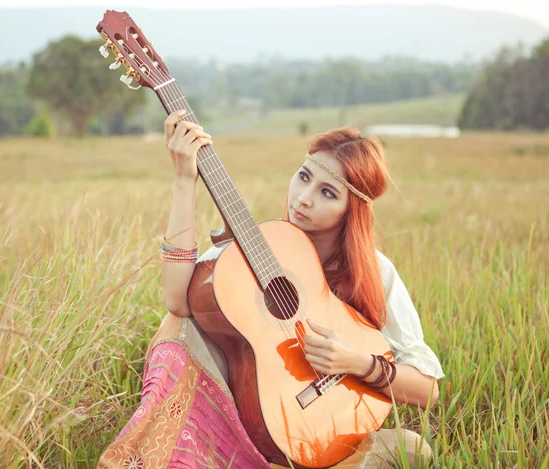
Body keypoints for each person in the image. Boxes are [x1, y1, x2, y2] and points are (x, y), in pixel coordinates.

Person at [97, 109, 445, 469]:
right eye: (304, 177)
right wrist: (185, 181)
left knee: (412, 448)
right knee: (177, 325)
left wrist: (355, 361)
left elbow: (427, 390)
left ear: (351, 210)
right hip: (246, 422)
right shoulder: (255, 249)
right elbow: (176, 301)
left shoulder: (374, 272)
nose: (303, 198)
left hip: (329, 430)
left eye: (327, 192)